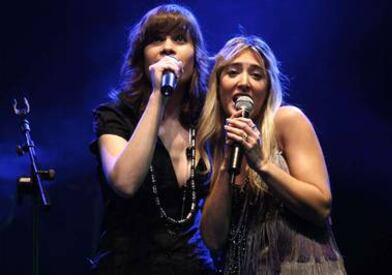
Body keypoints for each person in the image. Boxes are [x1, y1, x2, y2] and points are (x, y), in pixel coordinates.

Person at [197, 36, 346, 274]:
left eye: (256, 75)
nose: (244, 82)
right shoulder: (216, 146)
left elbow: (321, 207)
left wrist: (263, 164)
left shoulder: (287, 121)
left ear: (267, 88)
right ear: (218, 84)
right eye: (233, 72)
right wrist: (226, 165)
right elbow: (213, 239)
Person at [89, 4, 215, 274]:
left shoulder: (203, 122)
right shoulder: (115, 116)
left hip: (193, 266)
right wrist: (159, 95)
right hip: (129, 264)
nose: (168, 47)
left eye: (179, 39)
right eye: (157, 39)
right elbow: (125, 182)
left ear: (195, 57)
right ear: (142, 57)